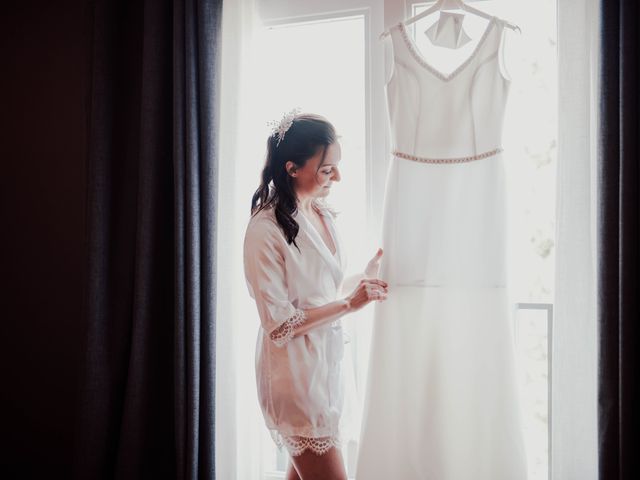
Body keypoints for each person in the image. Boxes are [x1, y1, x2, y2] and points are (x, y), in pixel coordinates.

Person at [243, 111, 388, 480]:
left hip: (327, 371)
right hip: (294, 379)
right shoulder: (265, 230)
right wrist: (348, 305)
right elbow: (278, 324)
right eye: (327, 169)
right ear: (292, 168)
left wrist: (363, 279)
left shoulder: (321, 213)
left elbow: (320, 291)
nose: (337, 177)